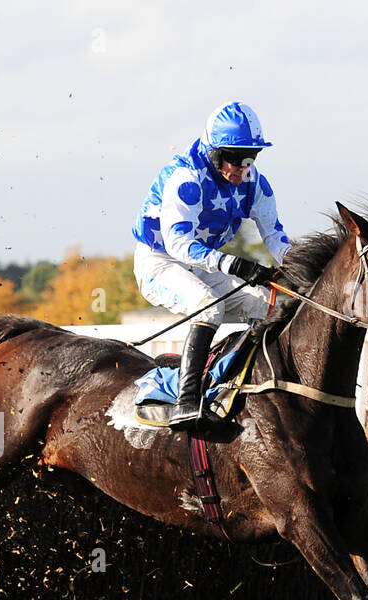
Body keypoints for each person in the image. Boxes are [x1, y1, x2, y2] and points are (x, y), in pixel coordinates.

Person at [131, 101, 291, 430]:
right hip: (160, 262)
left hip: (205, 266)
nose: (242, 167)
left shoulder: (254, 183)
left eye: (251, 157)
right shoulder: (187, 179)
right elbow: (178, 243)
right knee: (208, 309)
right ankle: (186, 402)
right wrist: (236, 265)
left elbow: (276, 238)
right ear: (215, 151)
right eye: (234, 157)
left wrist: (305, 269)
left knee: (270, 307)